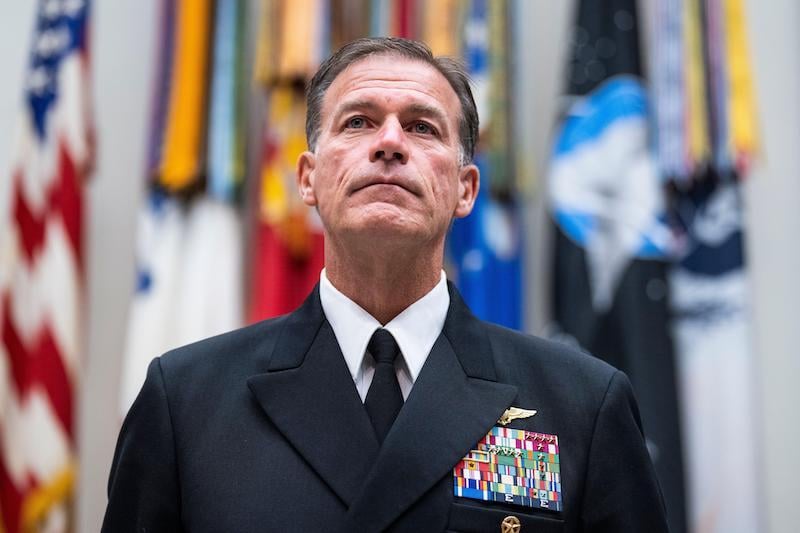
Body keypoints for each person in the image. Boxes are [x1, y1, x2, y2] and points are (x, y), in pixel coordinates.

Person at [102, 37, 668, 532]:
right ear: (307, 179)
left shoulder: (583, 406)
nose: (390, 142)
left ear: (466, 189)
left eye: (423, 127)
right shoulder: (186, 402)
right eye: (358, 122)